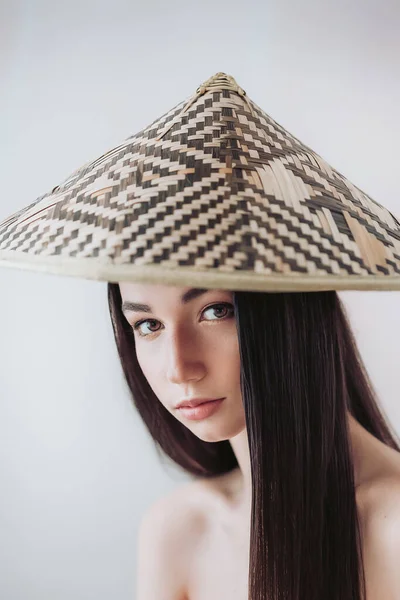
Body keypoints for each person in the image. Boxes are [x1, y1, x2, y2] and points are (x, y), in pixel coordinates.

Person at [108, 281, 400, 600]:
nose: (178, 369)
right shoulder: (179, 528)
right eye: (148, 325)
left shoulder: (391, 527)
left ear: (293, 304)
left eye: (216, 311)